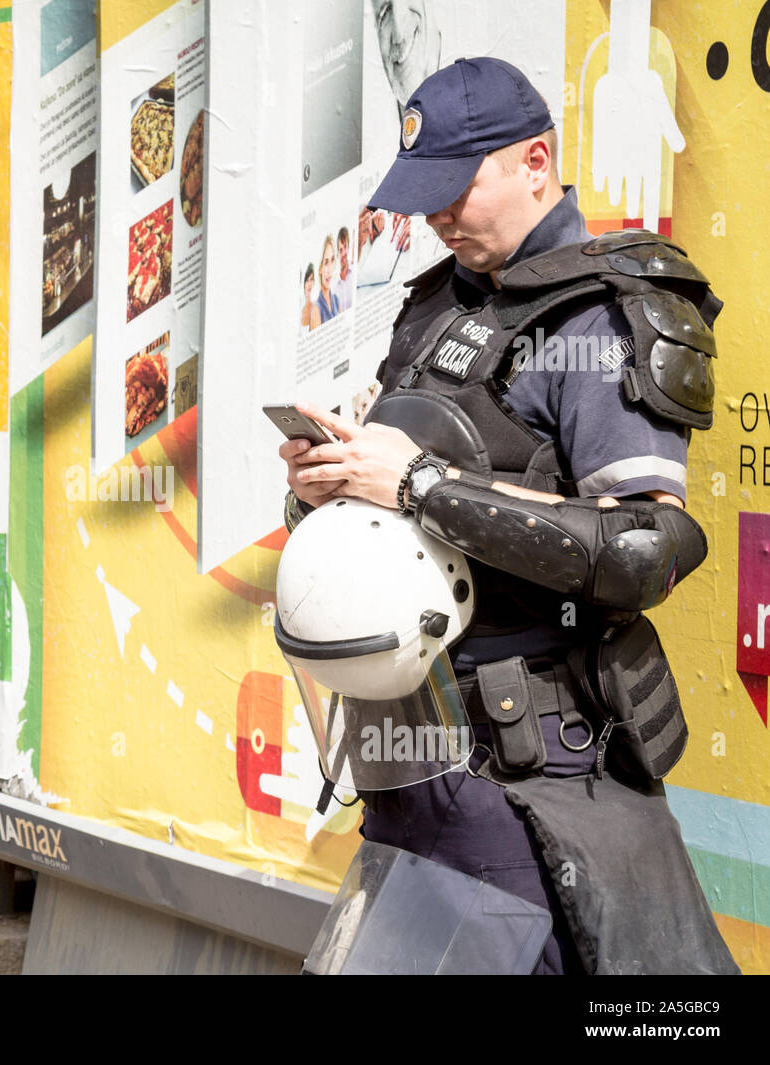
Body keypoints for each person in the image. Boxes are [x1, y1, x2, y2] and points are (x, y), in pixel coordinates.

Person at [280, 58, 734, 974]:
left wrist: (418, 486)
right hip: (409, 767)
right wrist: (326, 483)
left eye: (459, 188)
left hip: (534, 782)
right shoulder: (436, 306)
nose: (439, 216)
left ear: (536, 161)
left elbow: (647, 544)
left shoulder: (602, 314)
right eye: (425, 194)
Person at [316, 235, 338, 324]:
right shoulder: (316, 310)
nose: (330, 270)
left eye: (332, 260)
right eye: (325, 262)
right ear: (320, 267)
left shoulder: (336, 300)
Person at [333, 227, 355, 313]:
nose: (344, 253)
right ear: (337, 253)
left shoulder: (354, 272)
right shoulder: (334, 288)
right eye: (340, 250)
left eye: (345, 247)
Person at [301, 263, 321, 331]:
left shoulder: (316, 308)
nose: (309, 284)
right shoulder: (299, 307)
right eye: (307, 280)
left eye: (311, 279)